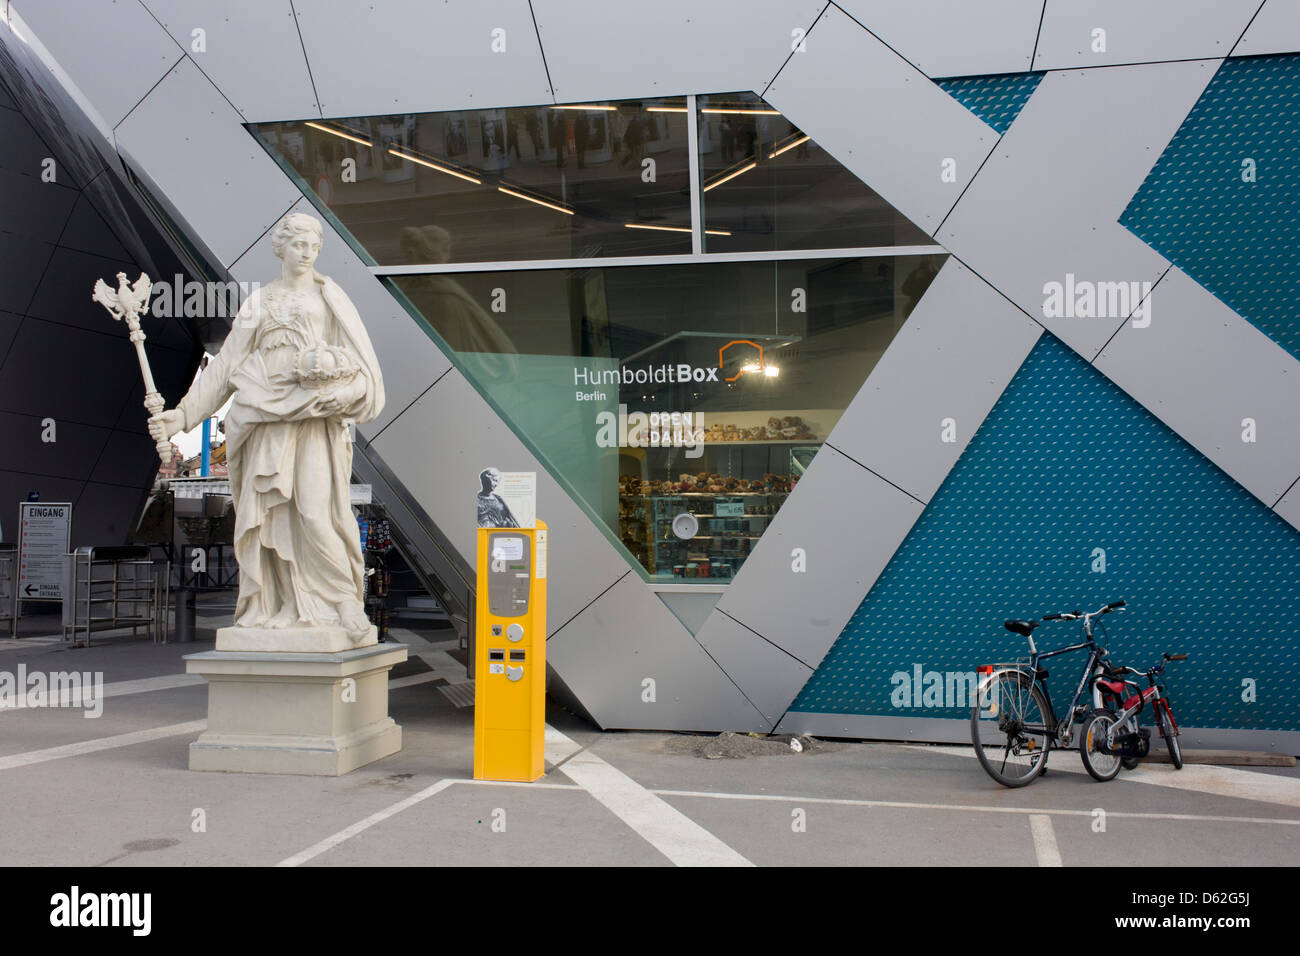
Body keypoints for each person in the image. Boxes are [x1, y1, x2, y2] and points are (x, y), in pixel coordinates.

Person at [147, 213, 384, 642]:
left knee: (315, 510)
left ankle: (343, 602)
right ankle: (280, 604)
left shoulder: (330, 297)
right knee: (269, 515)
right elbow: (226, 368)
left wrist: (338, 394)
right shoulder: (261, 301)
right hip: (261, 416)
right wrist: (182, 417)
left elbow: (362, 369)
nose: (307, 252)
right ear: (281, 248)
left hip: (311, 417)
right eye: (298, 244)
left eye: (313, 245)